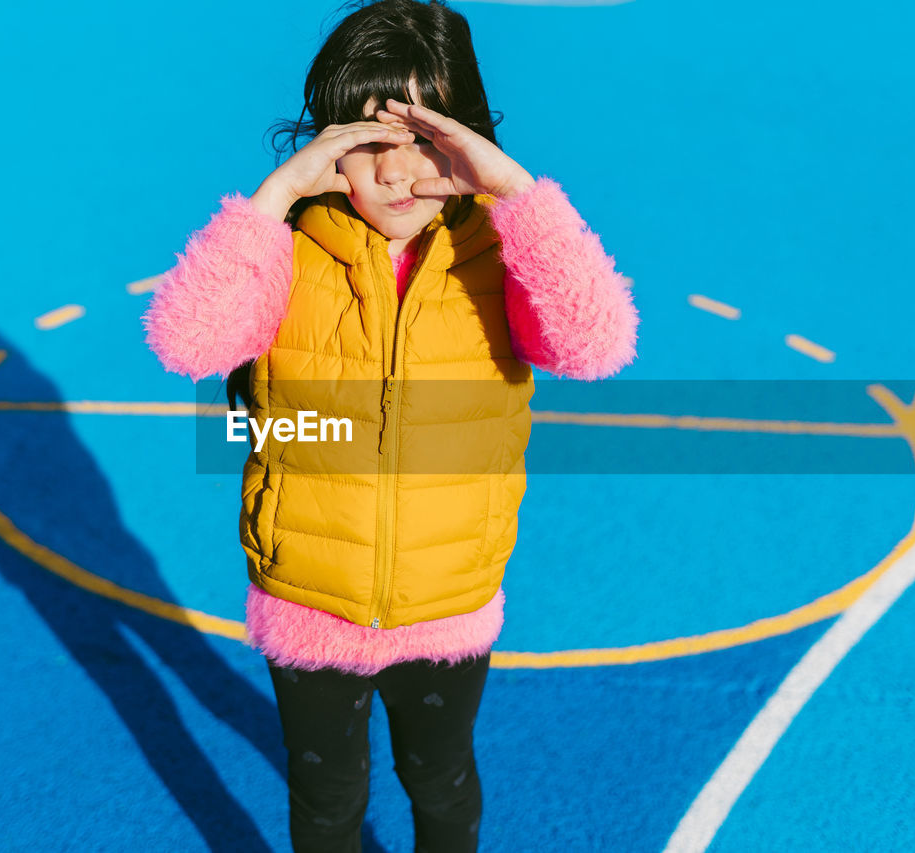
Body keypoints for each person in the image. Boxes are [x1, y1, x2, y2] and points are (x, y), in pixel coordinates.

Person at [142, 1, 638, 849]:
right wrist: (275, 197)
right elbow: (187, 343)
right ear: (329, 147)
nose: (402, 175)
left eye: (429, 142)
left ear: (471, 139)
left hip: (446, 603)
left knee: (439, 779)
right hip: (310, 598)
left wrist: (517, 192)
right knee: (327, 794)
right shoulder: (287, 253)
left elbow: (596, 344)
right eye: (372, 144)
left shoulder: (501, 253)